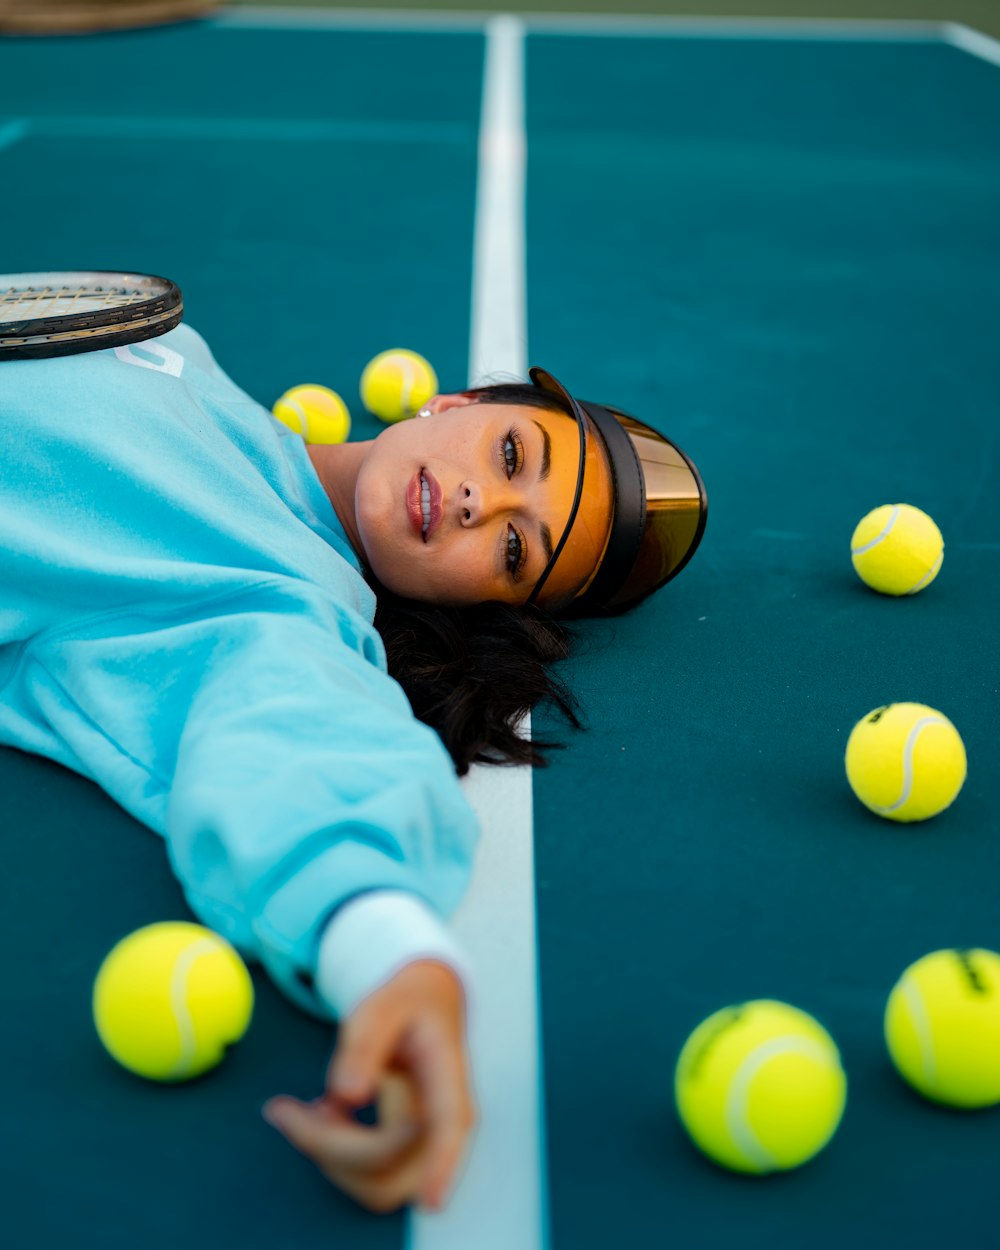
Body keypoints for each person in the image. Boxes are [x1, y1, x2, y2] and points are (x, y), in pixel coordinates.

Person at [0, 322, 707, 1216]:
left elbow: (298, 731)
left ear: (484, 604)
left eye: (514, 550)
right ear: (458, 404)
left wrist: (388, 953)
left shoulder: (278, 602)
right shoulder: (184, 354)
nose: (476, 505)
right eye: (510, 455)